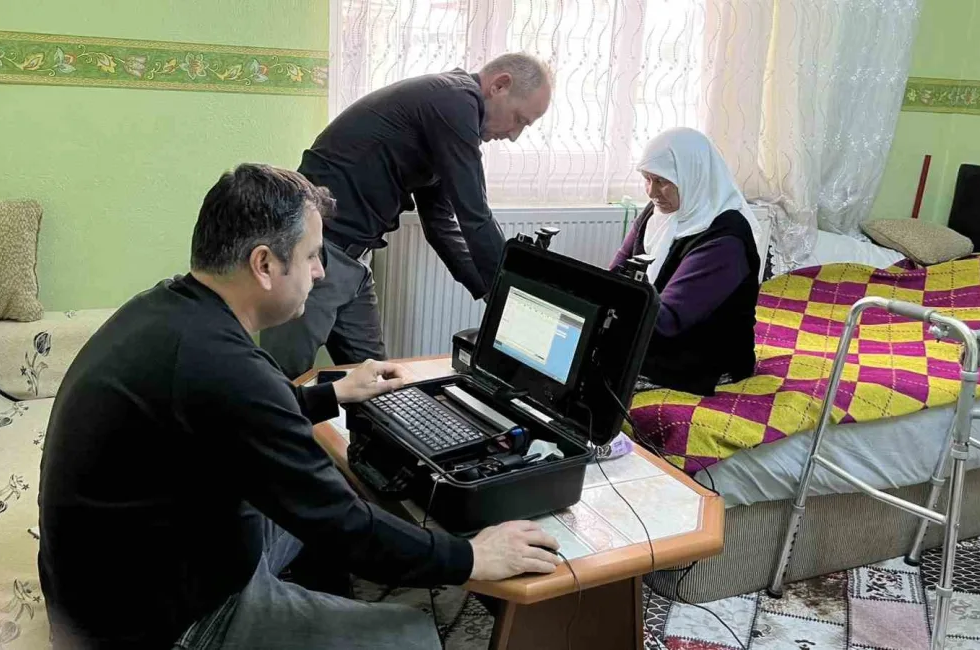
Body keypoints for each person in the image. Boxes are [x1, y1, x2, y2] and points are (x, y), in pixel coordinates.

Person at [37, 163, 562, 649]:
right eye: (312, 255)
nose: (319, 272)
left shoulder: (174, 315)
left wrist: (332, 393)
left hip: (111, 575)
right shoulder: (228, 367)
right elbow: (343, 524)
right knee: (408, 636)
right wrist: (472, 556)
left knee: (327, 497)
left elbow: (229, 415)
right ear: (264, 264)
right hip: (152, 626)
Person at [260, 53, 554, 379]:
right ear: (500, 85)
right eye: (520, 119)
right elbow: (475, 216)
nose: (514, 135)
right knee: (278, 386)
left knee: (380, 383)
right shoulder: (455, 100)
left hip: (354, 259)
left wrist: (490, 293)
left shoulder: (445, 115)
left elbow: (442, 225)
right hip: (314, 254)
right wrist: (510, 296)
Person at [609, 128, 762, 396]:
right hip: (658, 334)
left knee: (603, 379)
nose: (652, 192)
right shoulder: (658, 212)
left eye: (662, 181)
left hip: (703, 357)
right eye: (647, 179)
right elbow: (614, 276)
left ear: (694, 175)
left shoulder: (726, 239)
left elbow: (668, 321)